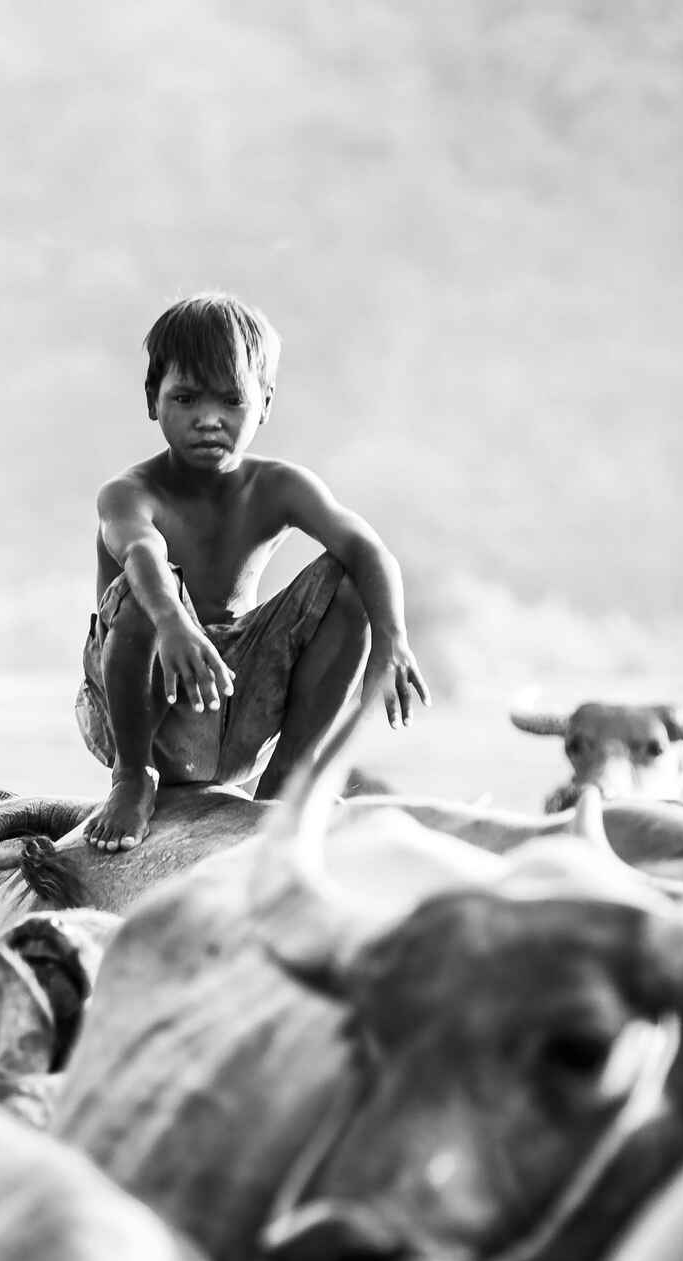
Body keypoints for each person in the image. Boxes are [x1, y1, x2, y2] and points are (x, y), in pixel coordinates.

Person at [77, 292, 429, 850]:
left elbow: (367, 548)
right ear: (153, 399)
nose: (208, 420)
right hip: (146, 708)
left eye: (231, 402)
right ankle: (132, 778)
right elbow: (141, 553)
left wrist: (393, 638)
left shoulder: (281, 486)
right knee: (143, 586)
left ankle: (288, 773)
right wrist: (173, 623)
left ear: (264, 404)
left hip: (237, 697)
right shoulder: (128, 493)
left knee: (349, 579)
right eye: (186, 399)